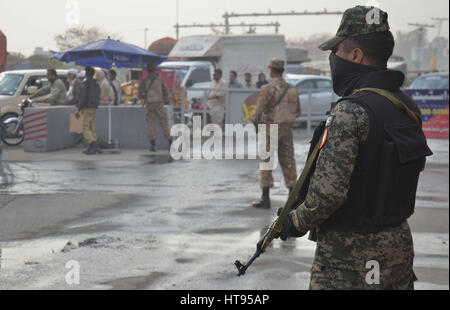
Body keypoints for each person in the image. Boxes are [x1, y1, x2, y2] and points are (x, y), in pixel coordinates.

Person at [277, 6, 433, 290]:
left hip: (348, 260)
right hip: (397, 250)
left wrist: (292, 223)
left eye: (335, 52)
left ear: (355, 55)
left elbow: (327, 195)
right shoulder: (407, 107)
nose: (332, 60)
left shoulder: (350, 112)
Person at [251, 58, 301, 209]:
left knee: (267, 162)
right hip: (286, 129)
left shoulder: (268, 89)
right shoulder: (292, 89)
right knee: (288, 162)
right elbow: (298, 111)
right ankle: (292, 198)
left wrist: (256, 124)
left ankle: (265, 199)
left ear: (271, 70)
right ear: (283, 70)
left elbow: (258, 111)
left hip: (270, 129)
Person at [138, 62, 172, 152]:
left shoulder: (144, 81)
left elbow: (139, 95)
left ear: (147, 71)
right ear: (155, 70)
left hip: (149, 104)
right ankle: (170, 141)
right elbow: (166, 92)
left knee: (151, 124)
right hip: (159, 103)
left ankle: (153, 145)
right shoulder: (160, 80)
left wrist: (145, 95)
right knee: (164, 123)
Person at [75, 66, 101, 155]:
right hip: (94, 107)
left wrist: (79, 108)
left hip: (87, 107)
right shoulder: (96, 83)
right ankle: (93, 145)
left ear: (86, 74)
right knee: (91, 126)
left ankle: (93, 143)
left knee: (84, 127)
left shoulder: (86, 84)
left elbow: (83, 97)